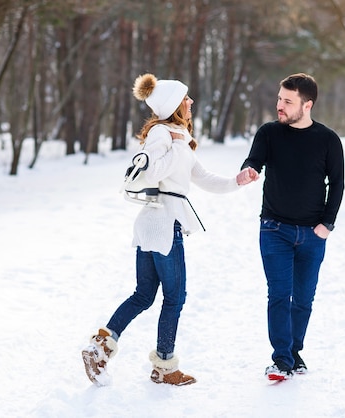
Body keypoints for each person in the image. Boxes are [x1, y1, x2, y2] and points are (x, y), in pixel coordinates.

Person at [82, 73, 258, 387]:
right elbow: (153, 173)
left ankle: (101, 346)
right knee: (174, 298)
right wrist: (177, 146)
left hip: (153, 223)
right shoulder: (164, 134)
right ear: (174, 105)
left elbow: (203, 178)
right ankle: (164, 367)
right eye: (185, 98)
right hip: (164, 225)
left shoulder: (177, 136)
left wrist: (237, 181)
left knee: (143, 295)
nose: (190, 102)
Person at [241, 73, 344, 381]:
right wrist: (248, 171)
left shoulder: (328, 140)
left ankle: (294, 352)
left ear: (307, 104)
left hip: (313, 234)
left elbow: (337, 185)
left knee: (303, 299)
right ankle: (282, 358)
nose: (280, 106)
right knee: (279, 294)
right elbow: (254, 160)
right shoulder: (269, 133)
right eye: (279, 99)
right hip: (275, 230)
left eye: (287, 101)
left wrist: (327, 224)